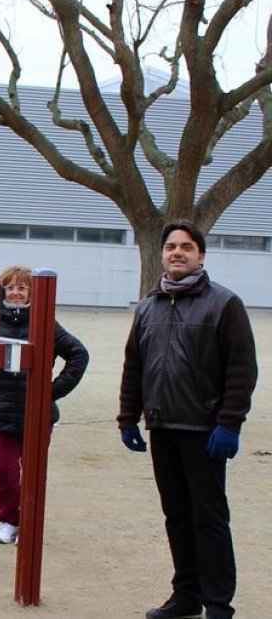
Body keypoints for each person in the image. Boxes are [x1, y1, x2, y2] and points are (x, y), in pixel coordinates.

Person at [118, 221, 257, 619]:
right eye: (171, 246)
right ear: (162, 253)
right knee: (177, 515)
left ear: (201, 255)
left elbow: (242, 369)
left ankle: (217, 604)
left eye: (187, 247)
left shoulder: (224, 304)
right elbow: (134, 366)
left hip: (205, 431)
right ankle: (186, 596)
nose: (177, 252)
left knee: (208, 518)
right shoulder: (148, 306)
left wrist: (230, 423)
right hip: (163, 427)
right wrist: (128, 417)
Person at [0, 265, 88, 545]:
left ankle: (29, 522)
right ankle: (10, 520)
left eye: (21, 288)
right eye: (10, 288)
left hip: (37, 411)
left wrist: (51, 391)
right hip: (1, 409)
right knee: (4, 470)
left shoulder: (45, 321)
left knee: (33, 471)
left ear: (31, 292)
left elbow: (79, 354)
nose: (16, 293)